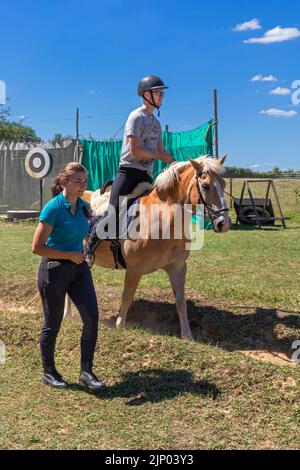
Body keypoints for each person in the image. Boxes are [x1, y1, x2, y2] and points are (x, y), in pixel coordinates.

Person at [85, 75, 175, 266]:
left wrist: (173, 162)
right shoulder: (135, 117)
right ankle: (89, 247)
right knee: (113, 211)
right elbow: (135, 150)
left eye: (162, 93)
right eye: (158, 92)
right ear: (146, 95)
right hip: (128, 172)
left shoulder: (157, 124)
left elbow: (160, 149)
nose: (162, 96)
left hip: (145, 175)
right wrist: (160, 157)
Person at [32, 162, 103, 391]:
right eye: (77, 181)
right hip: (53, 270)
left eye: (85, 181)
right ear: (64, 182)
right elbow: (37, 247)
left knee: (91, 318)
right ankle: (49, 372)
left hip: (78, 269)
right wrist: (69, 255)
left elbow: (87, 230)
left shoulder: (83, 206)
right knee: (53, 324)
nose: (83, 185)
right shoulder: (53, 208)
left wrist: (82, 249)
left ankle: (86, 372)